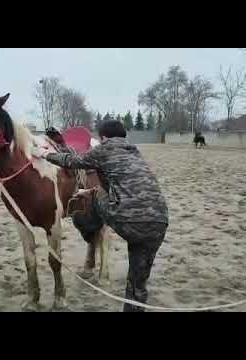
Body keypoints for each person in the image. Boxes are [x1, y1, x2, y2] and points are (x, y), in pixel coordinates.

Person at [32, 120, 169, 312]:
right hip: (159, 222)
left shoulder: (104, 149)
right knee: (137, 284)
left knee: (93, 192)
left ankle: (92, 228)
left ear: (103, 137)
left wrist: (46, 153)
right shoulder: (134, 151)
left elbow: (72, 162)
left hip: (129, 221)